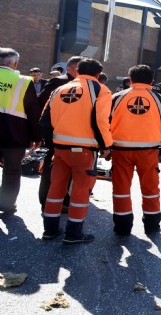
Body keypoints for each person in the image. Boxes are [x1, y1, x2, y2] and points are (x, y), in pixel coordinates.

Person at [41, 58, 112, 244]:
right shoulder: (100, 90)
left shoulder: (59, 89)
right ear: (98, 74)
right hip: (84, 150)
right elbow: (101, 121)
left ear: (77, 70)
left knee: (56, 188)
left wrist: (52, 143)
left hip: (60, 148)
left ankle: (50, 230)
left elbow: (45, 119)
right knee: (80, 190)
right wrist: (106, 146)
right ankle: (74, 234)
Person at [109, 65, 161, 235]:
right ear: (152, 80)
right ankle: (152, 226)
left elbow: (105, 124)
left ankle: (122, 227)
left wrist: (106, 148)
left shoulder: (116, 98)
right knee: (151, 189)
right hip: (149, 151)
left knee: (121, 188)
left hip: (121, 150)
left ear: (130, 80)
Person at [37, 56, 82, 210]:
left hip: (73, 135)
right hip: (56, 133)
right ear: (69, 68)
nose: (80, 71)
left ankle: (63, 200)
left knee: (67, 173)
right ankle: (46, 201)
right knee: (51, 170)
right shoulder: (59, 82)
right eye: (78, 68)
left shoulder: (84, 85)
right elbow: (42, 104)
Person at [0, 48, 41, 214]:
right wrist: (37, 136)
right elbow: (33, 112)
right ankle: (6, 204)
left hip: (13, 133)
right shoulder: (23, 81)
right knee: (12, 171)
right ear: (15, 63)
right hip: (14, 134)